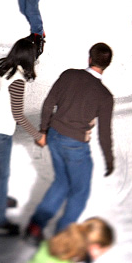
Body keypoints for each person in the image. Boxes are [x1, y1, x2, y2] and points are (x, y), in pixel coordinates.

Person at [25, 43, 114, 240]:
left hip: (55, 136)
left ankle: (35, 226)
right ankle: (61, 239)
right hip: (76, 145)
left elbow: (49, 103)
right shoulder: (105, 95)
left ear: (90, 58)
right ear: (107, 64)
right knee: (80, 191)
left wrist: (43, 130)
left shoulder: (69, 75)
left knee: (62, 182)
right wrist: (109, 159)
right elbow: (105, 133)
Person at [0, 36, 43, 236]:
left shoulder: (1, 65)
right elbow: (19, 115)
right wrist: (37, 135)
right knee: (1, 172)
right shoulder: (18, 82)